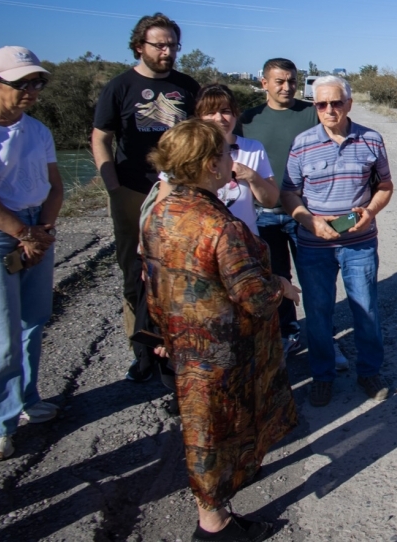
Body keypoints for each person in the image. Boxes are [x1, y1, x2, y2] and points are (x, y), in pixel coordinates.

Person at [144, 119, 299, 540]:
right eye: (227, 153)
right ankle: (214, 524)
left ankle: (218, 508)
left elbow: (154, 281)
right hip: (225, 355)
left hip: (185, 346)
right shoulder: (219, 226)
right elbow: (254, 295)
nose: (233, 159)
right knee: (217, 434)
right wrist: (282, 286)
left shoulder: (160, 213)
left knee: (202, 429)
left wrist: (164, 334)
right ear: (211, 165)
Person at [91, 13, 199, 383]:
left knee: (178, 271)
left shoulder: (187, 87)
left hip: (179, 194)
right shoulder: (119, 86)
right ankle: (141, 353)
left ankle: (177, 347)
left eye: (173, 45)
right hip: (133, 191)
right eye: (160, 45)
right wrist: (113, 186)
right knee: (134, 273)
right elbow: (101, 137)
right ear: (140, 46)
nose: (167, 52)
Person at [280, 75, 393, 407]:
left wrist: (370, 211)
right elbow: (288, 192)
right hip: (314, 245)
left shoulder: (371, 139)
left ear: (349, 104)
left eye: (336, 103)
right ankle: (322, 376)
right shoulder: (302, 143)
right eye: (321, 104)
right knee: (318, 312)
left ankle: (369, 372)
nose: (329, 110)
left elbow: (385, 186)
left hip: (359, 242)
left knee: (366, 308)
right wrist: (309, 221)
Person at [0, 48, 63, 462]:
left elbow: (55, 185)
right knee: (1, 331)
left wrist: (44, 230)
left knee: (33, 321)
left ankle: (26, 399)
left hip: (38, 227)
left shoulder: (38, 131)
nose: (31, 90)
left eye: (37, 83)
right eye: (21, 83)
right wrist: (22, 233)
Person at [238, 58, 319, 356]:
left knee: (315, 279)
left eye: (292, 81)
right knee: (277, 278)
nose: (287, 87)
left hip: (304, 213)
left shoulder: (311, 113)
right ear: (264, 83)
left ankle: (323, 337)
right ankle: (288, 333)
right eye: (280, 81)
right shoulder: (248, 120)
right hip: (263, 214)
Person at [157, 84, 278, 235]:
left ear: (235, 113)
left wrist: (251, 176)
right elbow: (162, 205)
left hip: (244, 237)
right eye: (210, 112)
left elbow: (271, 201)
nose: (219, 118)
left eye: (225, 111)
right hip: (199, 238)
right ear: (199, 117)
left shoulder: (253, 148)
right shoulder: (183, 149)